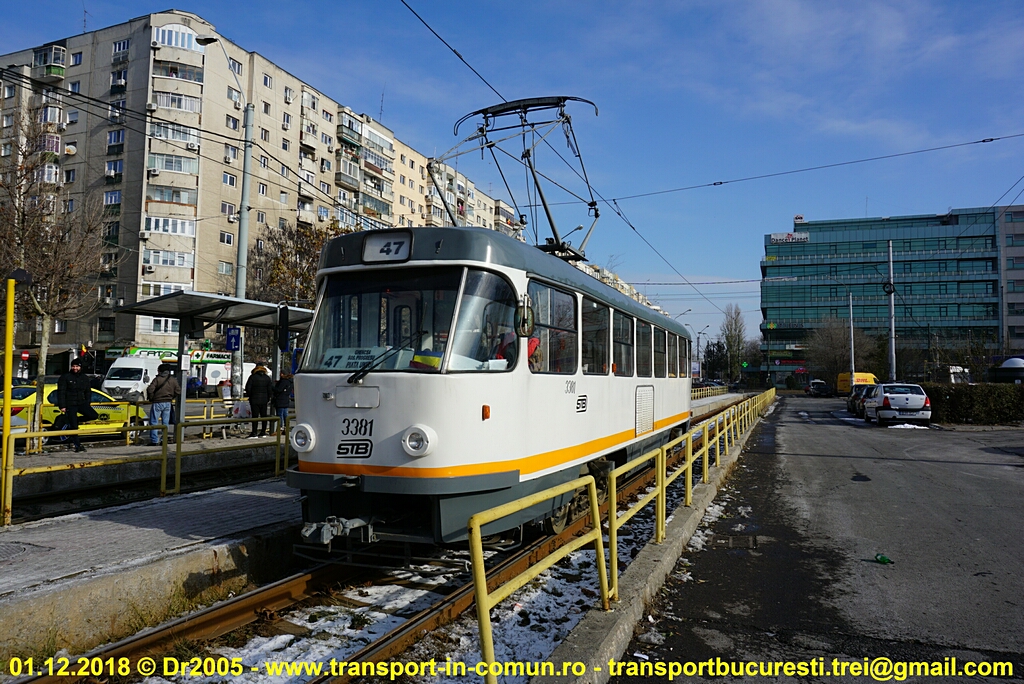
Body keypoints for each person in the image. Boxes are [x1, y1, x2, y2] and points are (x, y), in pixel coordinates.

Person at [57, 358, 98, 453]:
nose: (75, 368)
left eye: (77, 366)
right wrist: (62, 406)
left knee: (93, 415)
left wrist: (87, 403)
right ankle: (77, 446)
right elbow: (61, 392)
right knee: (74, 427)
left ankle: (74, 421)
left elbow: (88, 391)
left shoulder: (84, 377)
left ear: (80, 367)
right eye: (73, 366)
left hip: (81, 403)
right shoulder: (65, 377)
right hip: (70, 404)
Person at [147, 363, 180, 445]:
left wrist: (152, 397)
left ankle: (154, 441)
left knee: (154, 422)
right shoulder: (173, 380)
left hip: (157, 402)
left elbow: (150, 389)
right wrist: (171, 397)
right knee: (165, 422)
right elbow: (178, 391)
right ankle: (164, 439)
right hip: (168, 403)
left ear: (160, 371)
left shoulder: (157, 379)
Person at [244, 365, 274, 438]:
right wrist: (267, 398)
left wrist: (250, 395)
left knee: (255, 416)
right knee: (264, 416)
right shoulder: (267, 378)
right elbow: (270, 390)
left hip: (254, 399)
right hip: (264, 400)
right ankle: (263, 432)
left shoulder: (252, 377)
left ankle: (254, 432)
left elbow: (248, 388)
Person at [272, 371, 294, 436]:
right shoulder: (290, 381)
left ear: (283, 374)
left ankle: (280, 429)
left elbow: (278, 390)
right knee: (285, 415)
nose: (280, 374)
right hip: (286, 400)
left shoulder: (283, 381)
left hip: (280, 400)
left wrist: (272, 387)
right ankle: (286, 428)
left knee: (280, 415)